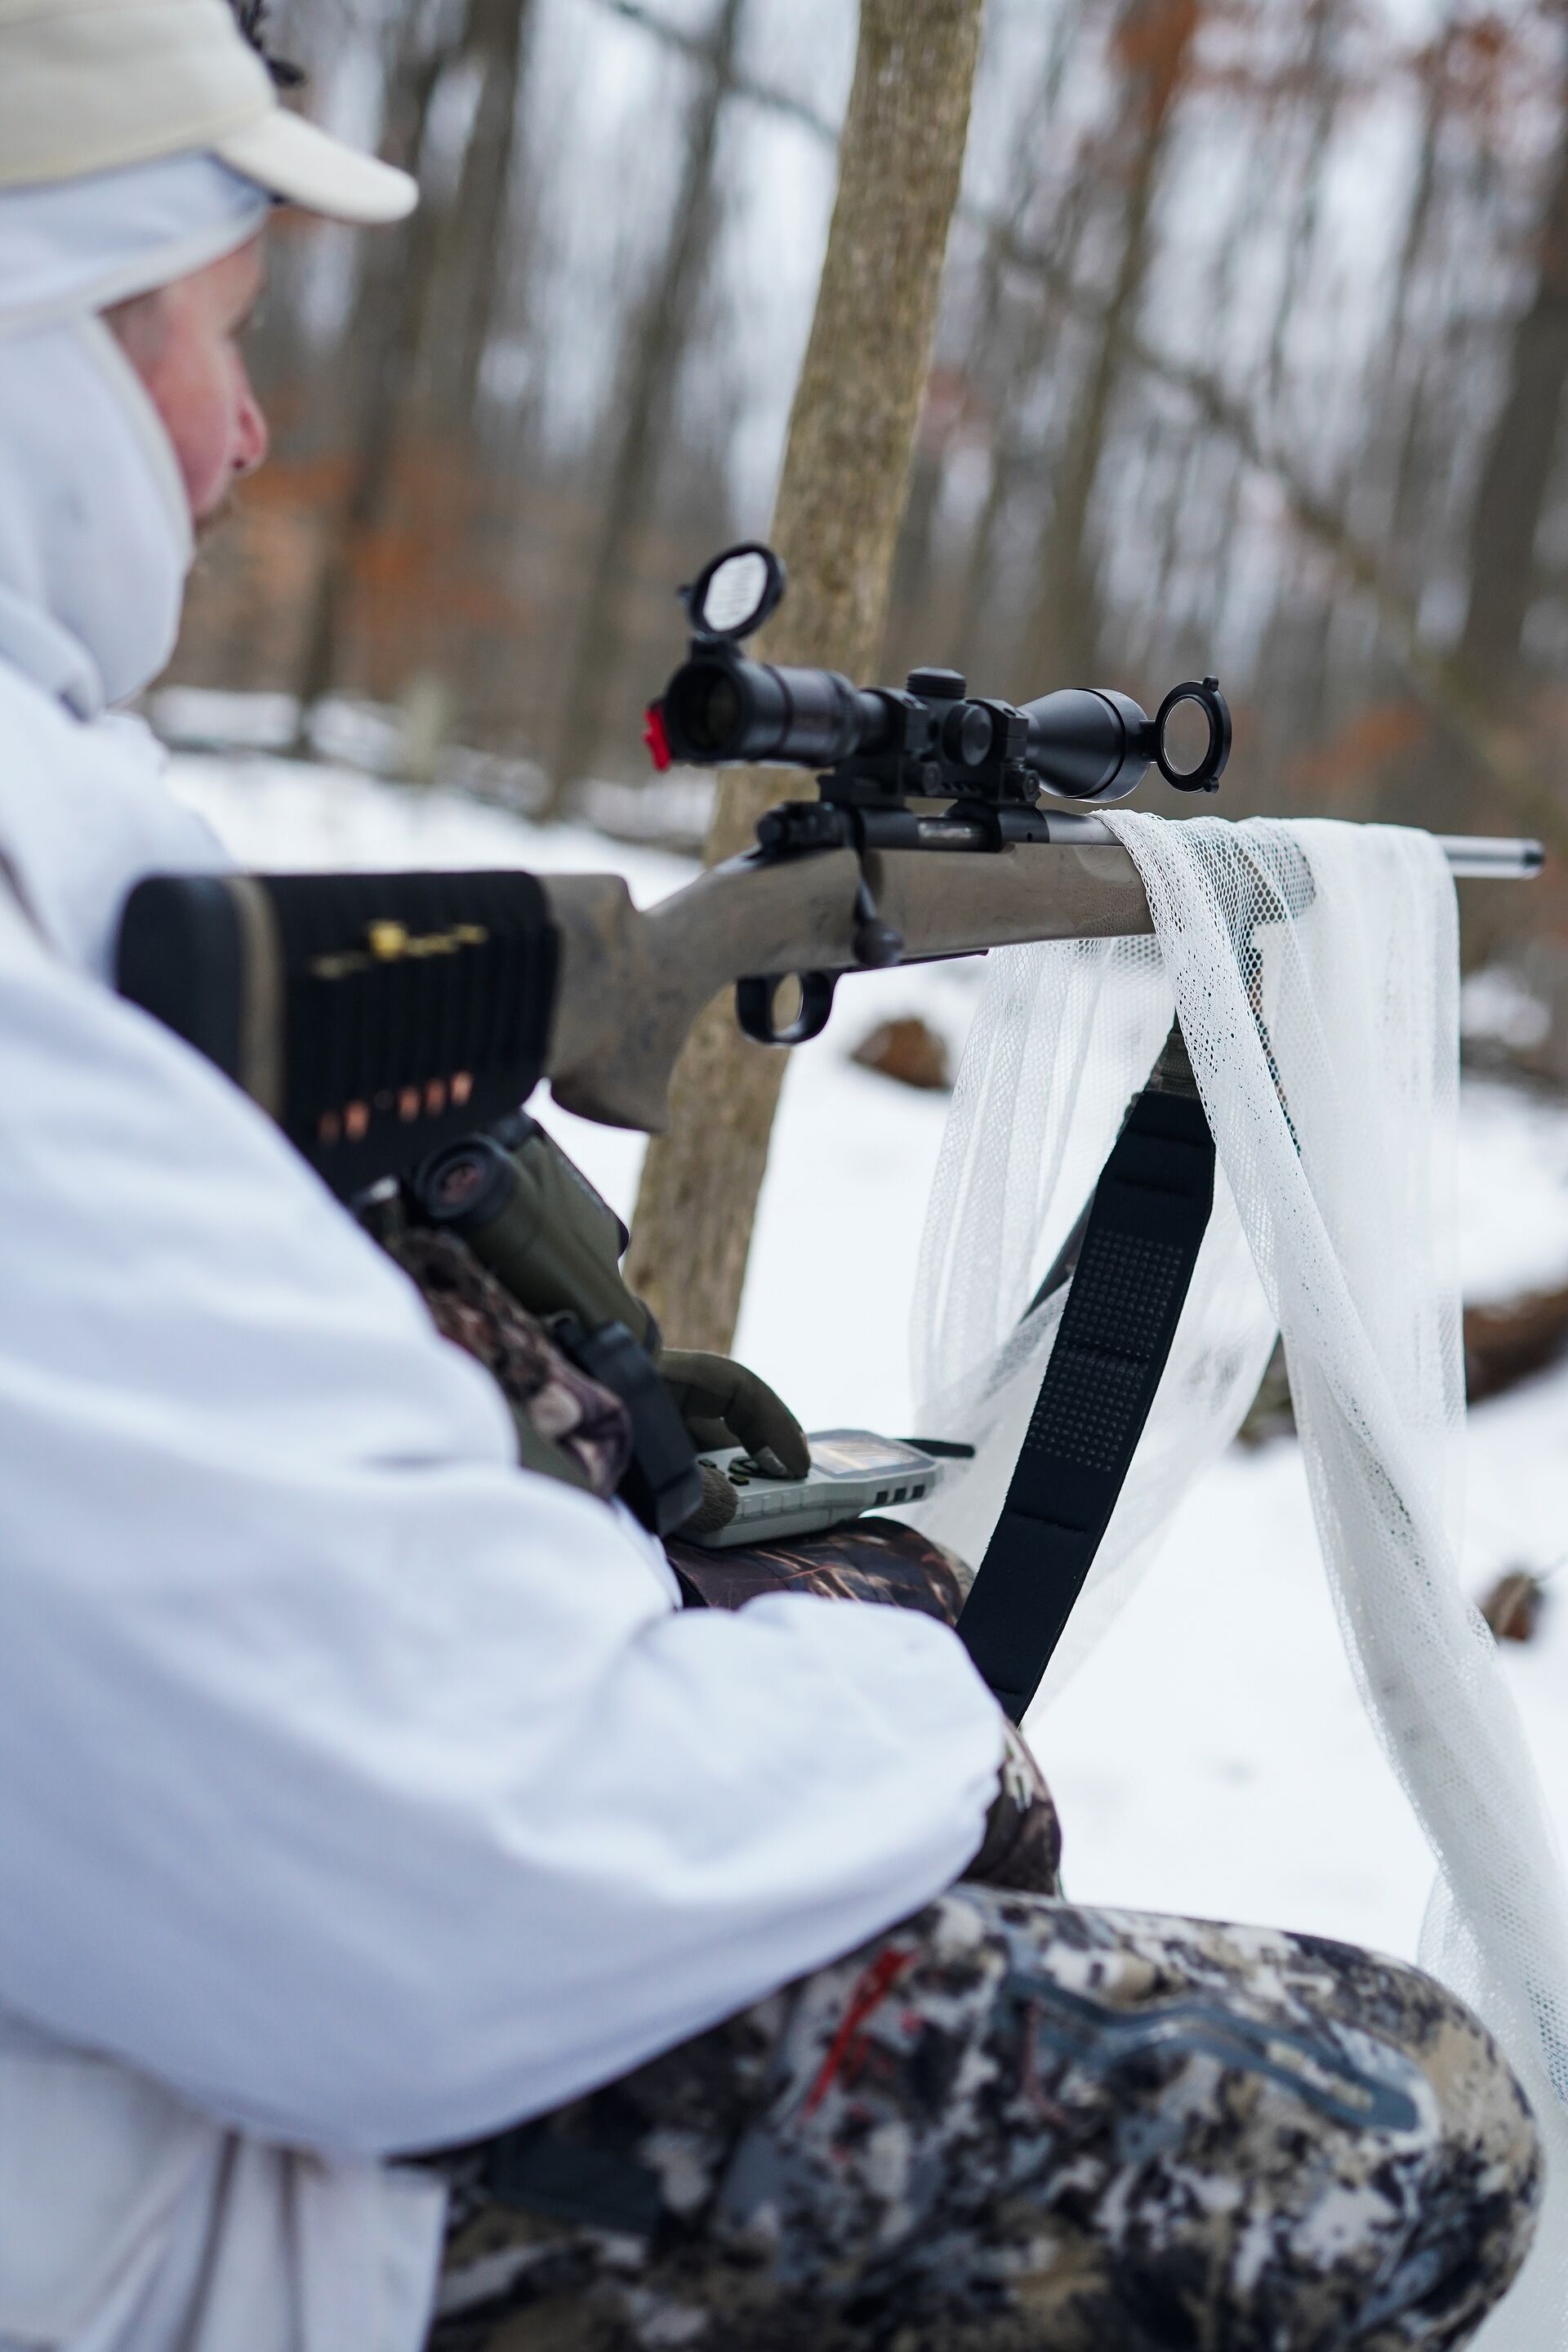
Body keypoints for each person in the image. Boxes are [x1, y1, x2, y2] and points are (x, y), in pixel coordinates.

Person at [0, 3, 1543, 2349]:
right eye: (213, 342)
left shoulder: (76, 848)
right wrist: (901, 1699)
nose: (247, 436)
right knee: (1420, 2119)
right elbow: (460, 1867)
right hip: (198, 2154)